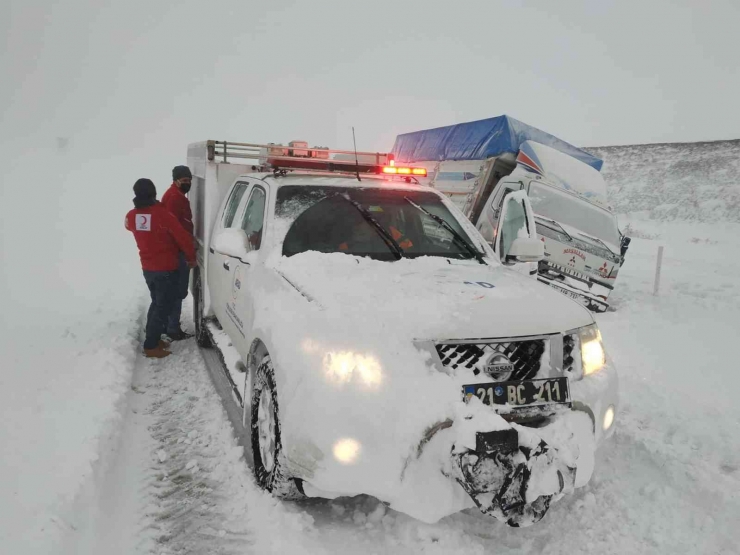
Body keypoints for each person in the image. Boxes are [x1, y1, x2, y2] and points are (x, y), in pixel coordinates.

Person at [125, 179, 196, 358]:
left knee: (157, 304)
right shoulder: (162, 215)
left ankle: (154, 339)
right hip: (166, 269)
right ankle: (150, 346)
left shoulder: (131, 216)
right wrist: (191, 258)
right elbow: (183, 238)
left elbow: (128, 226)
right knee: (162, 307)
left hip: (148, 268)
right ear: (154, 193)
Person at [161, 165, 194, 340]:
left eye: (189, 180)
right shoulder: (175, 198)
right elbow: (175, 228)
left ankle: (168, 325)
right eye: (184, 180)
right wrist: (188, 251)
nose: (187, 183)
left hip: (175, 250)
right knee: (178, 291)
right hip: (178, 251)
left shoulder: (175, 195)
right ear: (176, 180)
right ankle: (172, 328)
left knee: (174, 290)